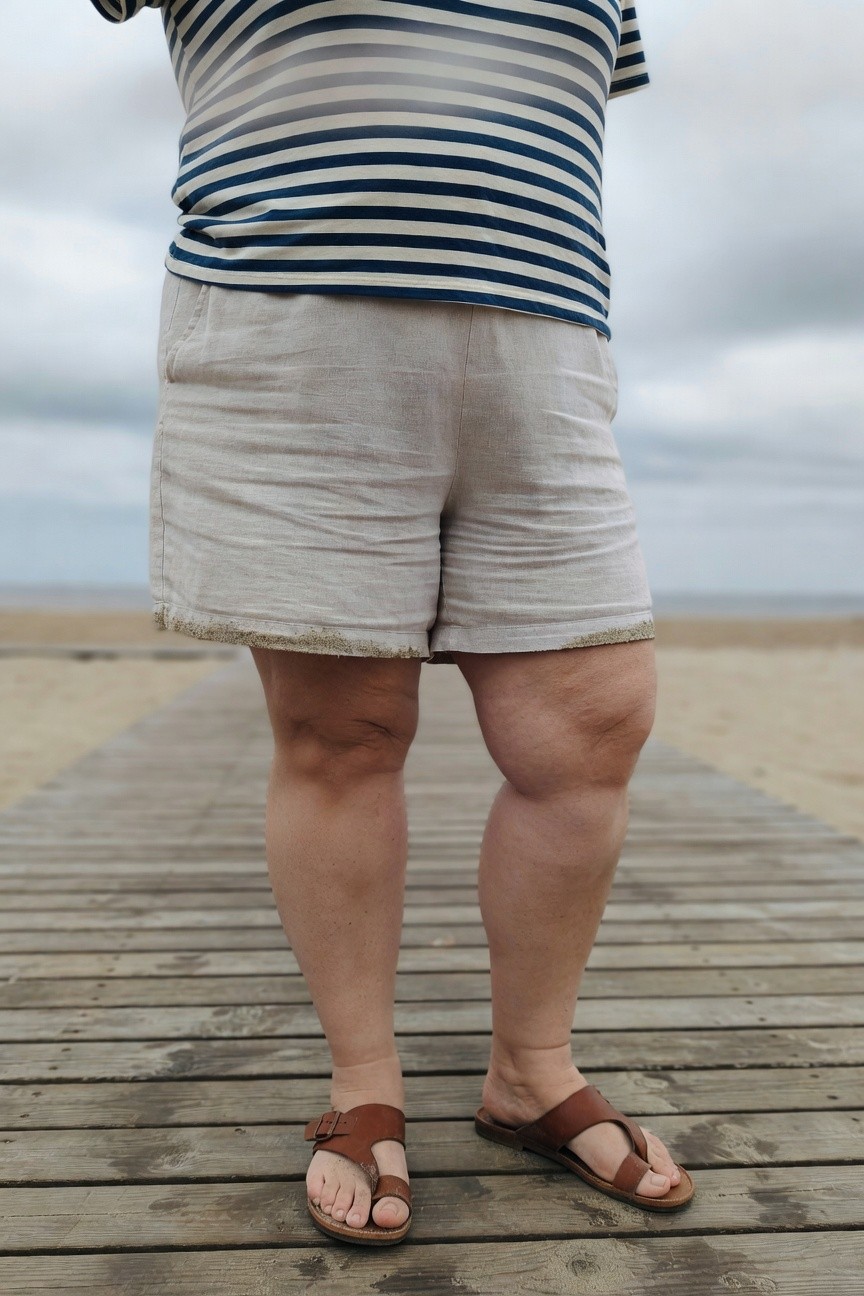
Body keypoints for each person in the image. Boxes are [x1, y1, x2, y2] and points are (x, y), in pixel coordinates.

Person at [91, 0, 695, 1245]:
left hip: (545, 329)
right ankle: (364, 1088)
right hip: (295, 315)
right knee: (343, 728)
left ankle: (530, 1067)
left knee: (589, 725)